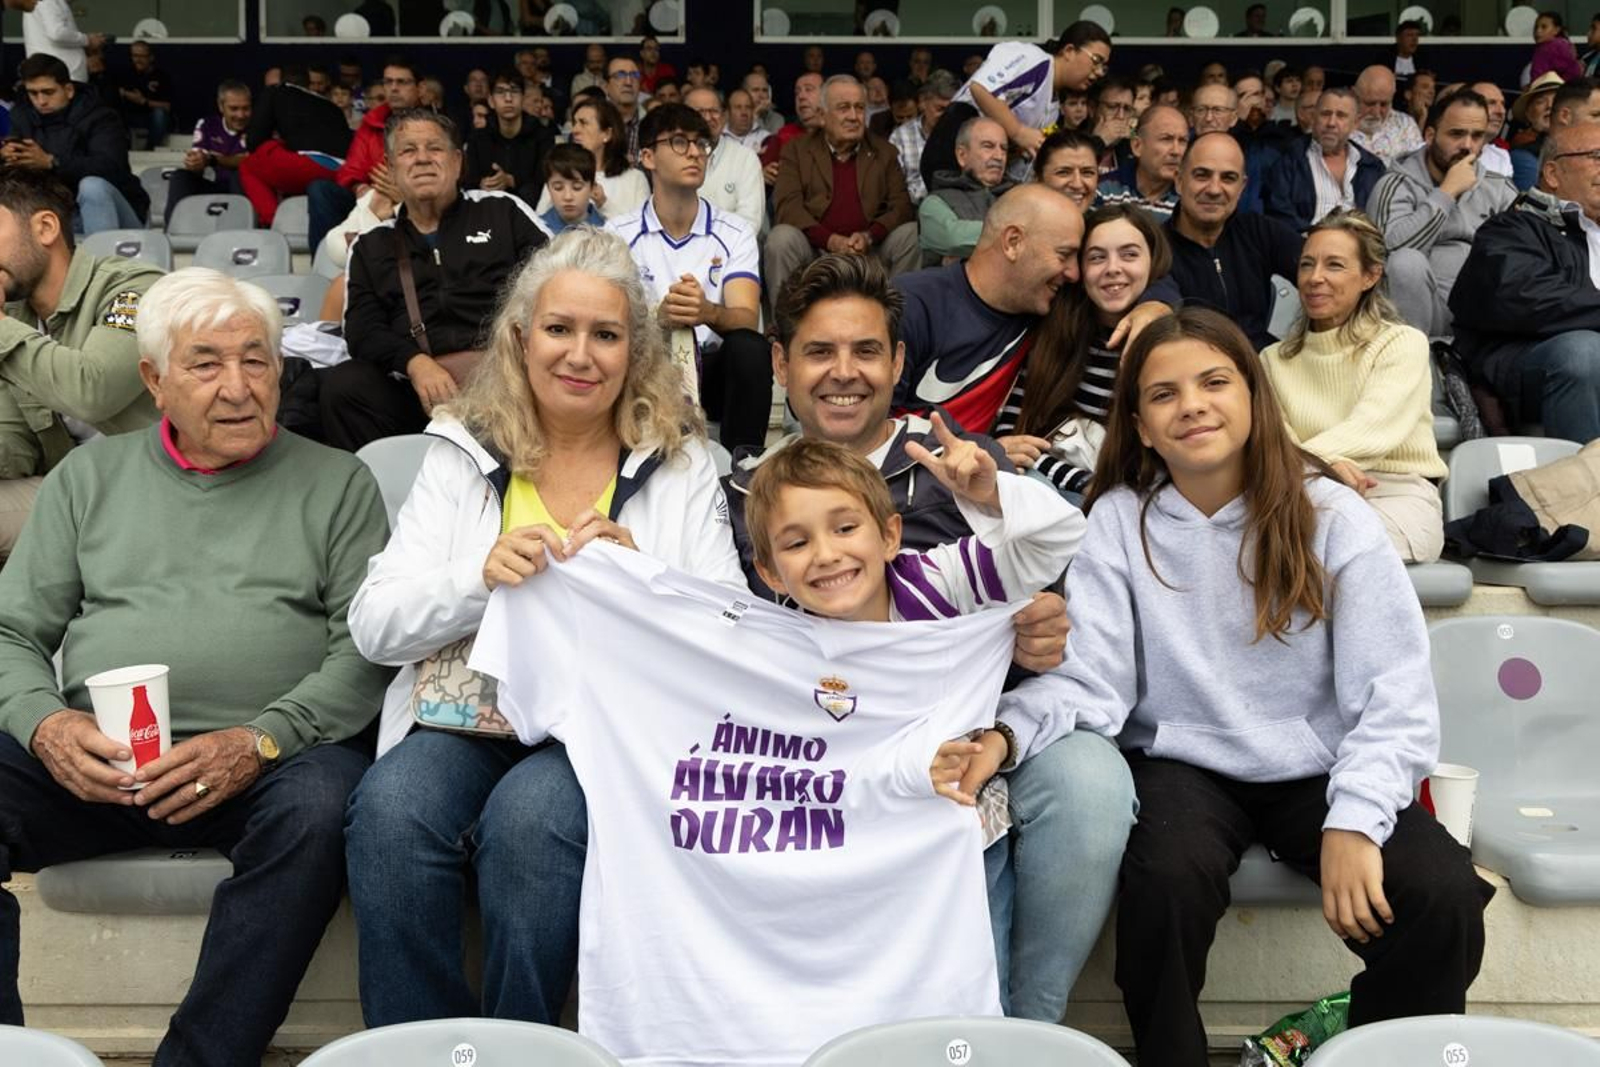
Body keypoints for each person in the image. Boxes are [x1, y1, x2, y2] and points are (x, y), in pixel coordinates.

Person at [989, 306, 1494, 1067]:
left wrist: (1355, 819)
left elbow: (1393, 693)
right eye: (1164, 394)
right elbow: (1093, 684)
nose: (1192, 403)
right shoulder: (1119, 522)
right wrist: (1007, 731)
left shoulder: (1333, 514)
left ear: (1256, 398)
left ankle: (1374, 1047)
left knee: (1442, 895)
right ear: (1141, 423)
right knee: (1163, 886)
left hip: (1319, 766)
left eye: (1215, 381)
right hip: (1183, 764)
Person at [344, 226, 743, 1029]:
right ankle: (419, 1046)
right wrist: (477, 577)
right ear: (521, 339)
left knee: (533, 824)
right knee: (391, 810)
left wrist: (644, 581)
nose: (580, 354)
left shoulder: (680, 459)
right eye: (559, 329)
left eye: (606, 334)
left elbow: (730, 629)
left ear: (637, 350)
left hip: (602, 732)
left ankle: (520, 1044)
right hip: (463, 720)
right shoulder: (462, 448)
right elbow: (374, 626)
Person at [724, 253, 1133, 1023]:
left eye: (866, 350)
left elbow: (1058, 594)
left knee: (1087, 782)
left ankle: (1025, 1026)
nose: (844, 373)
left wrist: (1026, 647)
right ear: (779, 361)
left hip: (974, 740)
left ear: (900, 361)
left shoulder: (963, 466)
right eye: (818, 350)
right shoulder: (745, 497)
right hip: (820, 752)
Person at [0, 267, 392, 1066]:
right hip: (106, 764)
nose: (238, 387)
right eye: (206, 363)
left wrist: (259, 740)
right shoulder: (88, 478)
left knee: (320, 809)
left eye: (257, 360)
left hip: (270, 763)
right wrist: (47, 726)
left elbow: (365, 652)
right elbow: (10, 632)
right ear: (154, 378)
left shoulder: (339, 484)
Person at [321, 110, 550, 452]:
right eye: (408, 150)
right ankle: (391, 489)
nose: (423, 159)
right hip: (420, 392)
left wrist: (511, 357)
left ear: (458, 162)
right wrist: (415, 363)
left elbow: (556, 283)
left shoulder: (504, 212)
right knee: (344, 386)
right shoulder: (372, 245)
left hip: (508, 380)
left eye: (435, 148)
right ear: (391, 168)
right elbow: (361, 330)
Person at [893, 185, 1176, 435]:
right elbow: (866, 430)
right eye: (1064, 255)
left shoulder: (1046, 306)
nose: (1074, 273)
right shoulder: (910, 304)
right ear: (1013, 242)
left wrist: (1156, 304)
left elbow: (1144, 274)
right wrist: (987, 451)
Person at [1262, 210, 1448, 561]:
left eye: (1334, 265)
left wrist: (1306, 464)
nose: (1315, 278)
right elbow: (1275, 442)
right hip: (1304, 493)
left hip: (1394, 495)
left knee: (1325, 546)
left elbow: (1371, 428)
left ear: (1370, 276)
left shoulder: (1401, 343)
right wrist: (1317, 473)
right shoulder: (1272, 359)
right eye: (1306, 264)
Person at [0, 168, 161, 555]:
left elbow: (95, 390)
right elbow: (16, 443)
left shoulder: (134, 288)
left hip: (156, 494)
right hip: (73, 490)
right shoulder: (16, 316)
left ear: (45, 227)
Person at [610, 104, 769, 453]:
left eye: (701, 144)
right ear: (648, 157)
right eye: (680, 142)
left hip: (710, 367)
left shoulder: (735, 231)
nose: (695, 153)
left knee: (750, 348)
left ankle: (745, 464)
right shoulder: (618, 234)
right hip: (647, 366)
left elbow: (745, 316)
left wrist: (708, 312)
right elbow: (608, 322)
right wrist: (657, 320)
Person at [991, 204, 1171, 500]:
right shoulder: (1055, 332)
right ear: (1079, 270)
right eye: (1097, 257)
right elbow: (1012, 436)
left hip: (1136, 499)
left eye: (1129, 254)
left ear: (1154, 262)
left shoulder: (1170, 346)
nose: (1113, 268)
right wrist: (1084, 483)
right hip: (1052, 489)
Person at [1449, 122, 1600, 443]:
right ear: (1553, 174)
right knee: (1582, 352)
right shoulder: (1512, 228)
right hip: (1526, 364)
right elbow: (1526, 297)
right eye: (1597, 155)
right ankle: (1589, 489)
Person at [1367, 89, 1516, 339]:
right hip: (1422, 316)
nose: (1468, 145)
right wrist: (1446, 193)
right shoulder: (1395, 184)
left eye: (1477, 136)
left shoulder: (1499, 188)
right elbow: (1386, 254)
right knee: (1405, 263)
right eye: (1456, 134)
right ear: (1430, 135)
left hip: (1485, 314)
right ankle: (1420, 363)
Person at [766, 76, 920, 311]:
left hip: (870, 251)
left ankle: (902, 328)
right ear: (822, 116)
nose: (853, 116)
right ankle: (784, 334)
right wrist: (830, 240)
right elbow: (788, 206)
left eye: (859, 108)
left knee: (910, 234)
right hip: (815, 250)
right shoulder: (796, 150)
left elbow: (901, 207)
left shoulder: (884, 151)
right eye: (843, 108)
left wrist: (869, 236)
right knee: (780, 238)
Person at [920, 22, 1112, 191]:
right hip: (954, 149)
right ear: (1069, 51)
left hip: (992, 174)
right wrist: (1018, 131)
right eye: (1096, 61)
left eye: (1104, 67)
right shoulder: (1033, 58)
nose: (1099, 72)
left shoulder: (1054, 106)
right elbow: (981, 88)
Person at [1164, 132, 1302, 350]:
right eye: (1202, 175)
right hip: (1193, 371)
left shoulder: (1259, 231)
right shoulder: (1157, 247)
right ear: (1179, 181)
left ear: (1242, 187)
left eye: (1228, 178)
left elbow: (1316, 268)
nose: (1214, 189)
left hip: (1259, 365)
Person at [8, 53, 148, 236]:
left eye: (48, 92)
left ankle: (103, 263)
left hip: (114, 214)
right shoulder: (21, 116)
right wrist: (8, 158)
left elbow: (111, 167)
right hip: (55, 211)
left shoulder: (102, 117)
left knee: (92, 186)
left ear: (68, 90)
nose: (40, 101)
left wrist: (52, 162)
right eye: (33, 93)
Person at [305, 58, 423, 256]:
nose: (393, 88)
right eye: (388, 82)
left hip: (416, 201)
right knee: (320, 189)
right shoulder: (371, 122)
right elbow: (350, 170)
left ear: (420, 88)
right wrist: (359, 186)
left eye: (402, 82)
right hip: (369, 198)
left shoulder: (435, 124)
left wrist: (401, 191)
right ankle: (323, 264)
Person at [239, 63, 352, 228]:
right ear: (308, 84)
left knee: (248, 165)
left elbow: (254, 142)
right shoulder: (331, 105)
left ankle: (274, 225)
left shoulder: (275, 92)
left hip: (311, 166)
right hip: (343, 173)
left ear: (281, 81)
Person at [1266, 88, 1384, 233]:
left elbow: (1381, 218)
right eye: (1325, 114)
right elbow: (1278, 215)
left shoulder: (1372, 166)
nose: (1331, 123)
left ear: (1355, 123)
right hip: (1303, 246)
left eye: (1341, 116)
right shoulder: (1288, 159)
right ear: (1314, 117)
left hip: (1358, 248)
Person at [534, 98, 648, 220]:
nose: (575, 130)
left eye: (583, 123)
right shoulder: (560, 173)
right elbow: (539, 225)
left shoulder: (635, 179)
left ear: (607, 134)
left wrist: (604, 204)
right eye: (575, 123)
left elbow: (640, 230)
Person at [920, 116, 1012, 262]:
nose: (999, 156)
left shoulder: (1019, 195)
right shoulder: (936, 202)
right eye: (988, 146)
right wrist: (1017, 232)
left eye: (1004, 149)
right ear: (962, 155)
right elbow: (953, 239)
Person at [465, 68, 556, 208]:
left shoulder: (542, 136)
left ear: (523, 98)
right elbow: (468, 182)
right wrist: (482, 184)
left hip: (532, 212)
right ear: (491, 101)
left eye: (514, 91)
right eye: (500, 92)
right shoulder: (478, 138)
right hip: (488, 211)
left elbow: (545, 181)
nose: (508, 98)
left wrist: (511, 180)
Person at [684, 86, 766, 235]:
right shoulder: (674, 158)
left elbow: (750, 222)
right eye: (700, 112)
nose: (708, 118)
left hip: (732, 252)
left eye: (714, 111)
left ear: (723, 117)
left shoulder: (745, 158)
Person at [166, 79, 252, 219]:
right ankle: (172, 231)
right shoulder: (207, 124)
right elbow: (199, 166)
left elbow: (250, 161)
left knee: (239, 175)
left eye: (246, 108)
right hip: (217, 186)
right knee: (180, 177)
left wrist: (212, 159)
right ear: (221, 106)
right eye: (234, 108)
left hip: (247, 190)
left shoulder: (259, 126)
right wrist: (196, 162)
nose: (241, 115)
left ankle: (243, 228)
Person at [1094, 104, 1188, 221]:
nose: (1176, 151)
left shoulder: (1190, 198)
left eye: (1183, 141)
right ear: (1137, 146)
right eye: (1166, 139)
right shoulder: (1105, 190)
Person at [891, 71, 958, 204]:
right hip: (913, 211)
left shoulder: (965, 135)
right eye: (940, 109)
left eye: (952, 109)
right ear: (922, 102)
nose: (947, 115)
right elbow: (894, 190)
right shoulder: (900, 137)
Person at [758, 71, 824, 184]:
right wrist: (762, 175)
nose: (801, 96)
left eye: (809, 89)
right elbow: (761, 172)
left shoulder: (839, 133)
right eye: (797, 92)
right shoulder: (784, 135)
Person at [1351, 65, 1424, 166]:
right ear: (1354, 95)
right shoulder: (1337, 121)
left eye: (1384, 104)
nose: (1376, 112)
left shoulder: (1406, 126)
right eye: (1370, 103)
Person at [21, 0, 100, 84]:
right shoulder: (49, 1)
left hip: (60, 77)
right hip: (60, 78)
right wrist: (87, 40)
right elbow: (57, 33)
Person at [112, 40, 172, 148]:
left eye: (142, 56)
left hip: (150, 117)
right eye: (135, 56)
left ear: (151, 57)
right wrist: (124, 94)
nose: (138, 60)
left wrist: (143, 101)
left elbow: (167, 106)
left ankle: (149, 149)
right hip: (129, 117)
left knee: (160, 114)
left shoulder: (161, 76)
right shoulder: (125, 74)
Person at [1510, 71, 1561, 190]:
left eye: (1556, 100)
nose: (1549, 106)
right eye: (1541, 101)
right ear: (1528, 113)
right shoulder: (1522, 155)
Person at [539, 143, 604, 233]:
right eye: (558, 188)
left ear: (592, 188)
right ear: (548, 188)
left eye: (577, 187)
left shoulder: (607, 229)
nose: (568, 197)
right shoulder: (538, 229)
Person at [1032, 127, 1100, 209]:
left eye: (1087, 173)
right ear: (1038, 179)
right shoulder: (1019, 220)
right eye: (1063, 172)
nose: (1077, 184)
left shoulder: (1107, 221)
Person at [605, 55, 644, 161]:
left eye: (634, 75)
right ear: (606, 86)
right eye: (620, 75)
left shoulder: (653, 124)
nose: (628, 82)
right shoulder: (594, 124)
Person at [1472, 81, 1514, 177]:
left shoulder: (1502, 158)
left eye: (1503, 104)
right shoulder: (1445, 149)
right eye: (1491, 103)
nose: (1501, 111)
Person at [1531, 10, 1585, 81]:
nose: (1538, 31)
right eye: (1536, 27)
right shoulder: (1566, 45)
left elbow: (1538, 79)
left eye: (1544, 27)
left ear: (1556, 30)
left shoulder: (1549, 49)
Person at [724, 88, 769, 152]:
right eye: (738, 107)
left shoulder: (765, 138)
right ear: (728, 113)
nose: (744, 112)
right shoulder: (718, 138)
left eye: (748, 107)